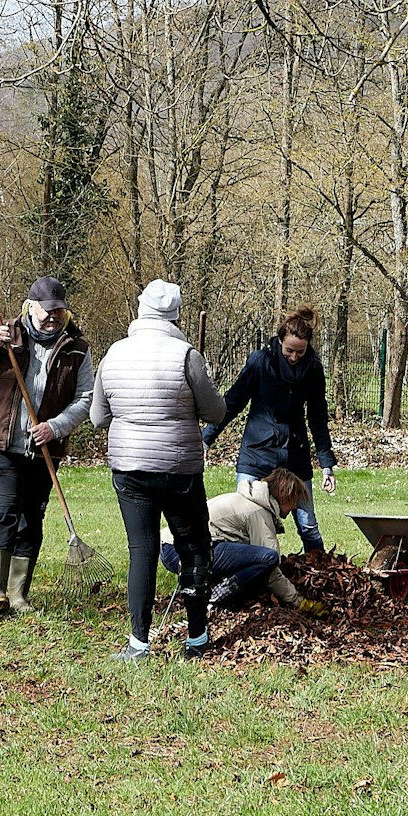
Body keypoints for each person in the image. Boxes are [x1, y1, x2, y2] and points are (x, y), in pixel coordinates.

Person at [91, 279, 227, 660]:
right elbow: (216, 412)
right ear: (176, 315)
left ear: (140, 311)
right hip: (178, 470)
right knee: (193, 548)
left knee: (142, 551)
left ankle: (138, 643)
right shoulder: (187, 356)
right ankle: (197, 638)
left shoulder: (114, 354)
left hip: (128, 470)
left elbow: (98, 417)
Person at [0, 275, 95, 616]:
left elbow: (86, 398)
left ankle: (18, 596)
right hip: (2, 443)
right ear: (30, 307)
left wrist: (55, 427)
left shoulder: (77, 348)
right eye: (47, 310)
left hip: (44, 448)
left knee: (31, 518)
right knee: (5, 510)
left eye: (59, 310)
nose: (53, 316)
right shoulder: (6, 335)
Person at [203, 305, 339, 553]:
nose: (294, 357)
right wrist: (205, 439)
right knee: (245, 520)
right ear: (279, 342)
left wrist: (326, 464)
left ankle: (320, 568)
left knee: (308, 526)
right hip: (257, 454)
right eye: (289, 351)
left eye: (300, 351)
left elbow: (318, 418)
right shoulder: (260, 362)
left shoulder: (313, 369)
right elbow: (233, 402)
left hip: (295, 456)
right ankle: (246, 571)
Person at [159, 468, 330, 617]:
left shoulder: (248, 500)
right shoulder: (258, 512)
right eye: (295, 501)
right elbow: (271, 569)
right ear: (285, 496)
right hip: (181, 553)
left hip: (170, 546)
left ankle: (210, 586)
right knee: (269, 558)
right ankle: (216, 594)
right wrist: (299, 601)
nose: (295, 507)